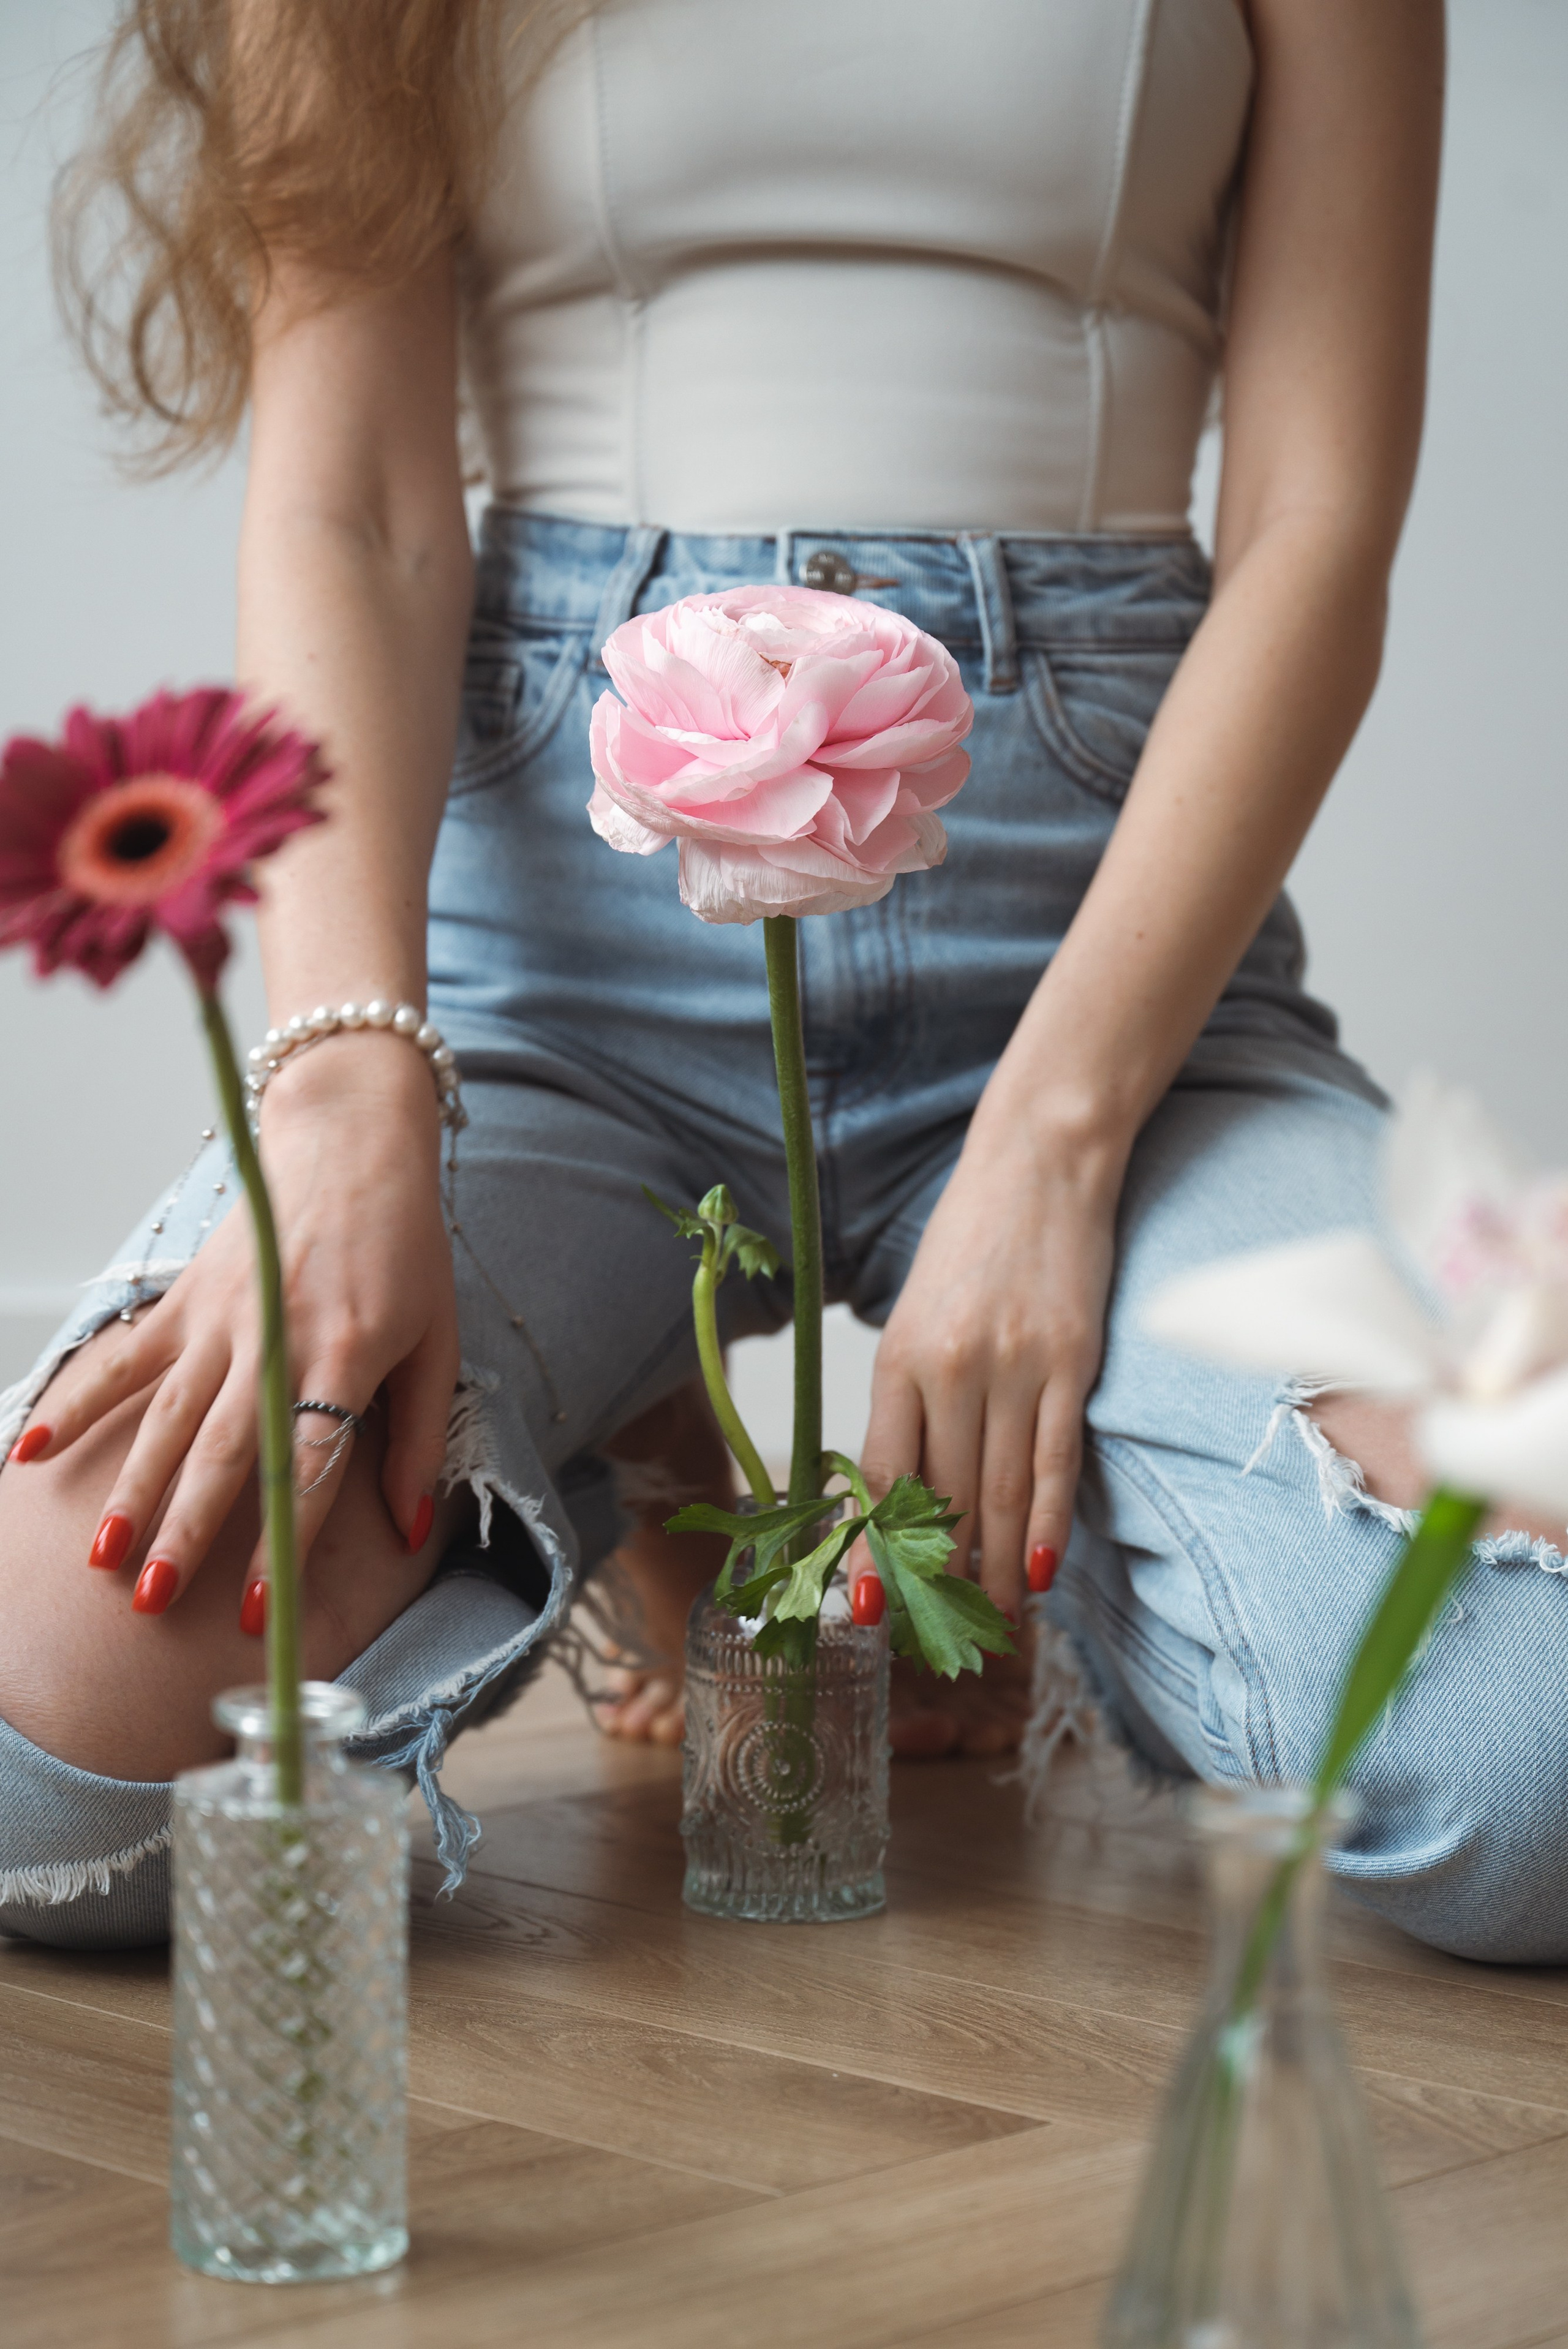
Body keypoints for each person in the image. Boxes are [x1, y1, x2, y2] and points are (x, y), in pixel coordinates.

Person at [9, 0, 1551, 1967]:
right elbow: (357, 506)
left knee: (1537, 1743)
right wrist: (341, 1086)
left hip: (1111, 971)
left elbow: (1319, 530)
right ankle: (642, 1445)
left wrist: (1061, 1145)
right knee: (48, 1743)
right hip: (552, 972)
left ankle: (1058, 1532)